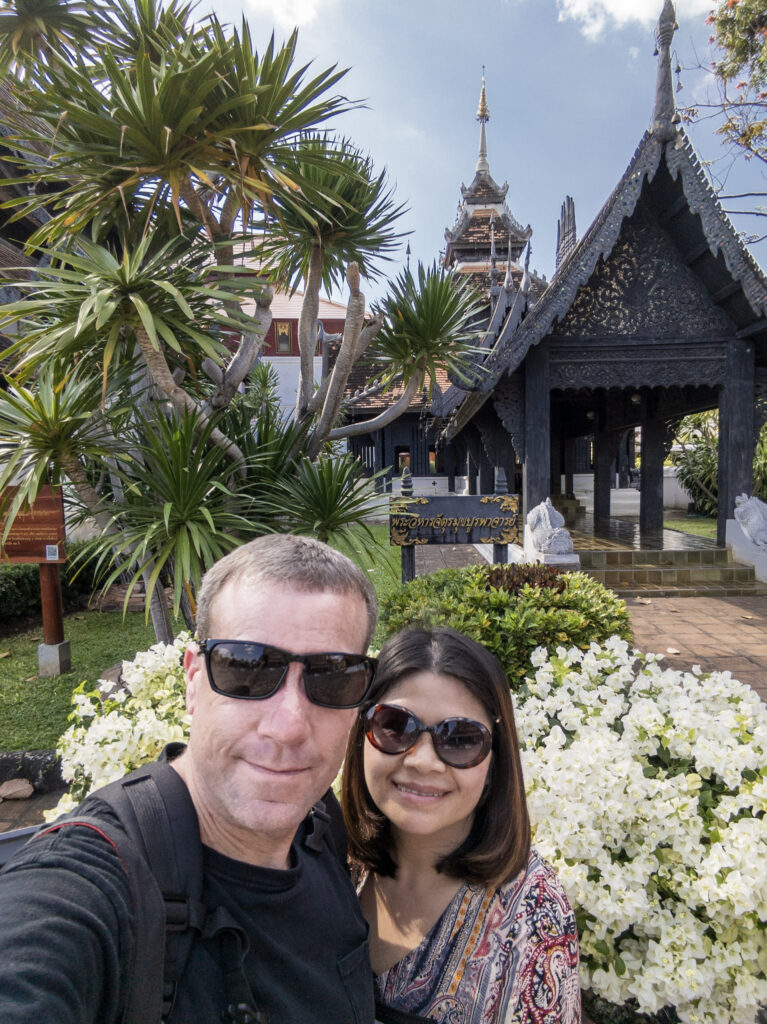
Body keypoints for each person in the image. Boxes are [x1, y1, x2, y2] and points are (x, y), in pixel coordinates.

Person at [0, 533, 379, 1024]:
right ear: (193, 681)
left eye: (333, 675)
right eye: (247, 668)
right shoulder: (90, 885)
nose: (287, 726)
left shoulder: (319, 822)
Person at [342, 627, 581, 1024]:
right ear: (361, 734)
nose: (423, 761)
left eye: (460, 738)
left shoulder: (531, 914)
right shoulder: (328, 859)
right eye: (396, 726)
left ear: (494, 763)